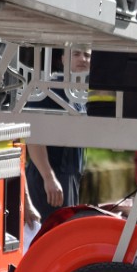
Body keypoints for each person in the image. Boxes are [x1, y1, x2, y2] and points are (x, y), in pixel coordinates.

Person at [26, 48, 92, 223]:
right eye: (76, 54)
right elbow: (33, 135)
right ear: (63, 59)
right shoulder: (49, 89)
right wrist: (49, 178)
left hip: (69, 177)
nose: (83, 59)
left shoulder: (82, 94)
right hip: (49, 179)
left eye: (87, 55)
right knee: (50, 236)